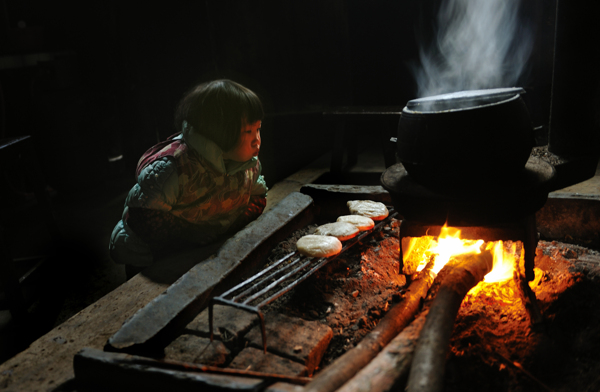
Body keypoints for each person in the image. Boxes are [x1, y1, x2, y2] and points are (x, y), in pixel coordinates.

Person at [109, 79, 267, 278]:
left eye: (258, 129)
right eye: (248, 131)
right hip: (150, 257)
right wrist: (193, 235)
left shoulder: (248, 165)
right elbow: (143, 218)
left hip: (199, 253)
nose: (257, 140)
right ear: (219, 131)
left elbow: (258, 196)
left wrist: (231, 225)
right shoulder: (173, 168)